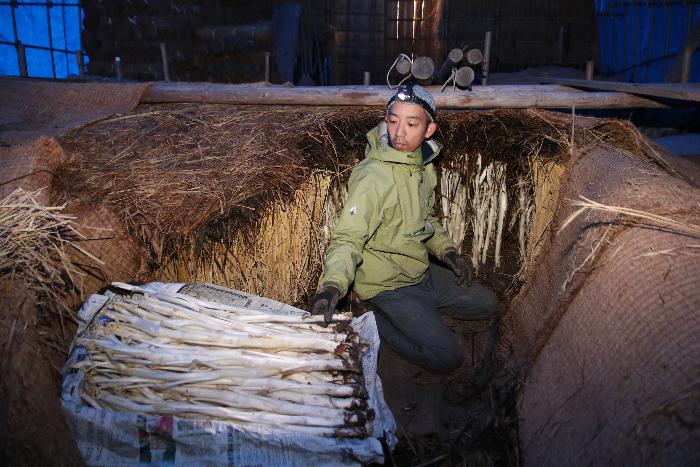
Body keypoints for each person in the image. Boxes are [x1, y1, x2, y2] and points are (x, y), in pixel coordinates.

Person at [309, 83, 497, 374]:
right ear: (386, 120)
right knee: (447, 358)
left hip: (419, 271)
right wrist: (333, 286)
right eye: (393, 121)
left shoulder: (423, 167)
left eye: (411, 124)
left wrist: (449, 254)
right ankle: (375, 320)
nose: (399, 132)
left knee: (486, 304)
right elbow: (347, 237)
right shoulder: (373, 177)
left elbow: (428, 220)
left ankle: (420, 316)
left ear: (429, 130)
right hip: (388, 284)